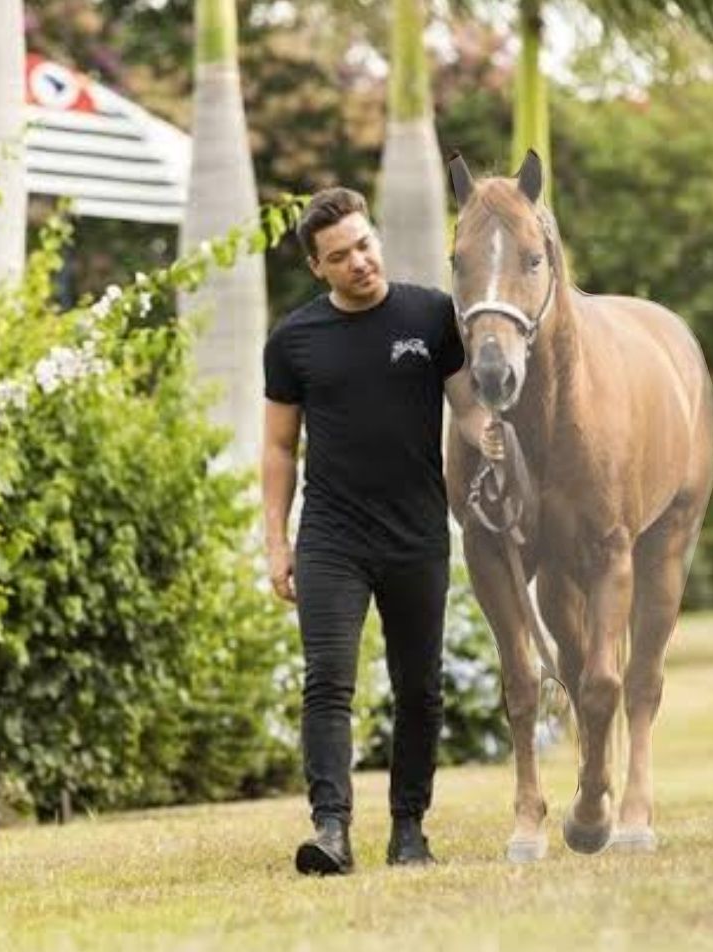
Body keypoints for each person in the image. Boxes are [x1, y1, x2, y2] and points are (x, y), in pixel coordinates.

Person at [261, 187, 491, 875]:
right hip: (332, 537)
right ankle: (330, 830)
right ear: (317, 267)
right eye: (340, 256)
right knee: (327, 682)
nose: (359, 262)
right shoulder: (294, 341)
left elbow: (468, 411)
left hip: (416, 533)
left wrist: (493, 436)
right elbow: (277, 448)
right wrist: (277, 542)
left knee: (418, 686)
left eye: (364, 245)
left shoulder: (430, 315)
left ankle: (408, 829)